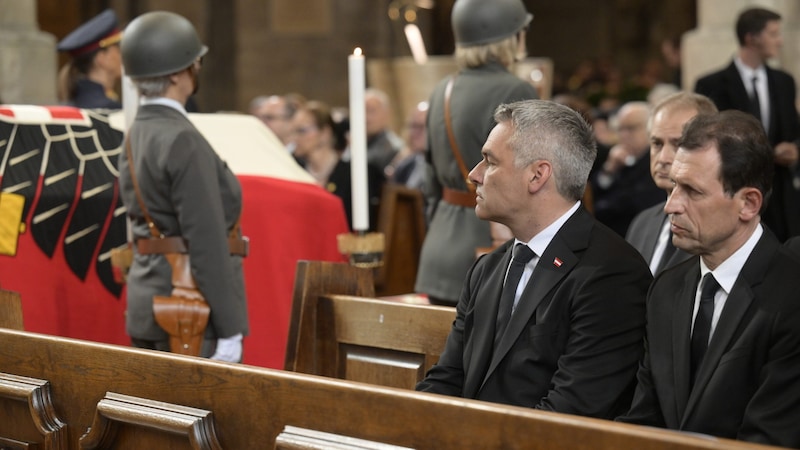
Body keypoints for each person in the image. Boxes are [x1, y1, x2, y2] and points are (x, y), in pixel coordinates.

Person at [416, 100, 652, 419]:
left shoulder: (611, 275)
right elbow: (448, 379)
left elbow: (567, 415)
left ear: (537, 175)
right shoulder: (488, 268)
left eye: (490, 161)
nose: (474, 175)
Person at [618, 111, 800, 447]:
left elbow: (768, 439)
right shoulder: (666, 289)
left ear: (748, 203)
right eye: (674, 185)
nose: (671, 206)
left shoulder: (791, 294)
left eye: (692, 191)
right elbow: (644, 419)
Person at [118, 11, 248, 362]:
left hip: (150, 298)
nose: (198, 69)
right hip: (191, 310)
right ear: (178, 72)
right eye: (195, 62)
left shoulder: (137, 133)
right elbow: (204, 238)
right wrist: (230, 325)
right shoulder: (181, 139)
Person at [415, 0, 539, 306]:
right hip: (491, 244)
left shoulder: (442, 88)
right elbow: (527, 177)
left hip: (439, 249)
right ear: (512, 37)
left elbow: (429, 181)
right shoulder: (516, 90)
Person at [695, 7, 800, 242]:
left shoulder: (784, 82)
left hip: (782, 199)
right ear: (751, 38)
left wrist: (795, 150)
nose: (780, 41)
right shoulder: (711, 84)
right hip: (736, 196)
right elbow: (712, 140)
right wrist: (770, 153)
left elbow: (795, 131)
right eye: (773, 34)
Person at [626, 92, 717, 275]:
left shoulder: (718, 228)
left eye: (679, 144)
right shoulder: (642, 223)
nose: (664, 158)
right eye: (657, 144)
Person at [292, 100, 384, 231]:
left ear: (325, 133)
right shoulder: (295, 172)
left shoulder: (355, 173)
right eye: (293, 131)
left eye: (302, 130)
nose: (294, 138)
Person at [591, 101, 663, 236]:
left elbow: (632, 204)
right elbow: (590, 193)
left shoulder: (656, 162)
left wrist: (600, 206)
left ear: (650, 129)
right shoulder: (617, 158)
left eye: (630, 128)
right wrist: (609, 169)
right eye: (620, 129)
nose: (624, 135)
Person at [56, 9, 123, 109]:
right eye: (118, 50)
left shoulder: (76, 103)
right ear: (102, 58)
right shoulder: (108, 108)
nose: (122, 56)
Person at [390, 101, 429, 190]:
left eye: (421, 127)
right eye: (412, 126)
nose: (414, 133)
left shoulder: (443, 171)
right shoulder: (407, 163)